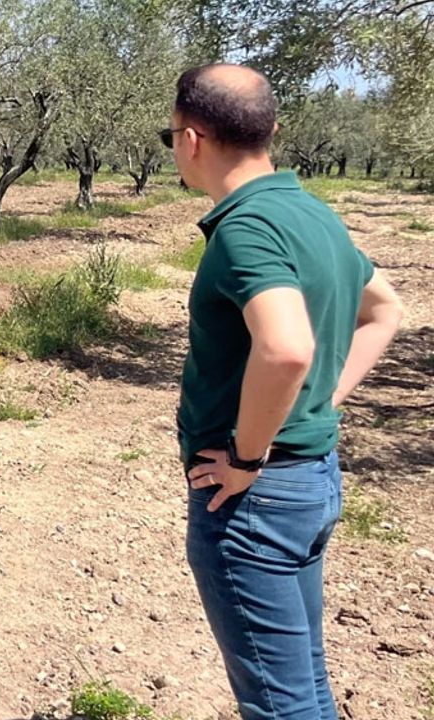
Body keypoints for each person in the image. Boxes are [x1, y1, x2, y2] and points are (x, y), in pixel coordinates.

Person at [169, 64, 403, 719]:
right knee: (305, 685)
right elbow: (384, 310)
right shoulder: (309, 212)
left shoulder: (248, 226)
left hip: (256, 503)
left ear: (191, 139)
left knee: (279, 704)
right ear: (270, 130)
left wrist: (247, 456)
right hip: (312, 481)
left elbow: (287, 346)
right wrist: (320, 402)